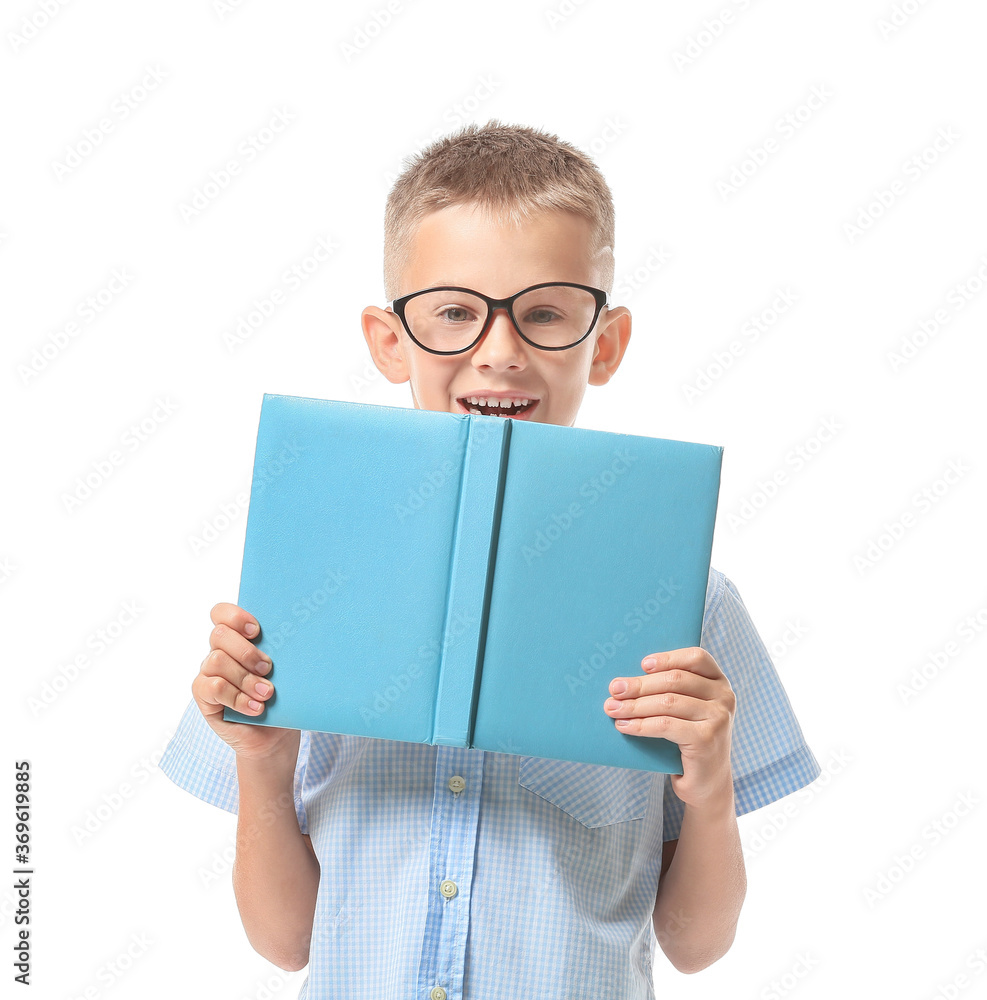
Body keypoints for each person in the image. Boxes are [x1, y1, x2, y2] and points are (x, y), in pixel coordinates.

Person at [158, 120, 821, 999]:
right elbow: (284, 943)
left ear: (607, 342)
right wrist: (263, 760)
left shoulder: (684, 598)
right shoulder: (305, 578)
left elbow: (696, 947)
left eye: (545, 312)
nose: (499, 350)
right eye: (454, 313)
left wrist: (708, 785)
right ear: (391, 340)